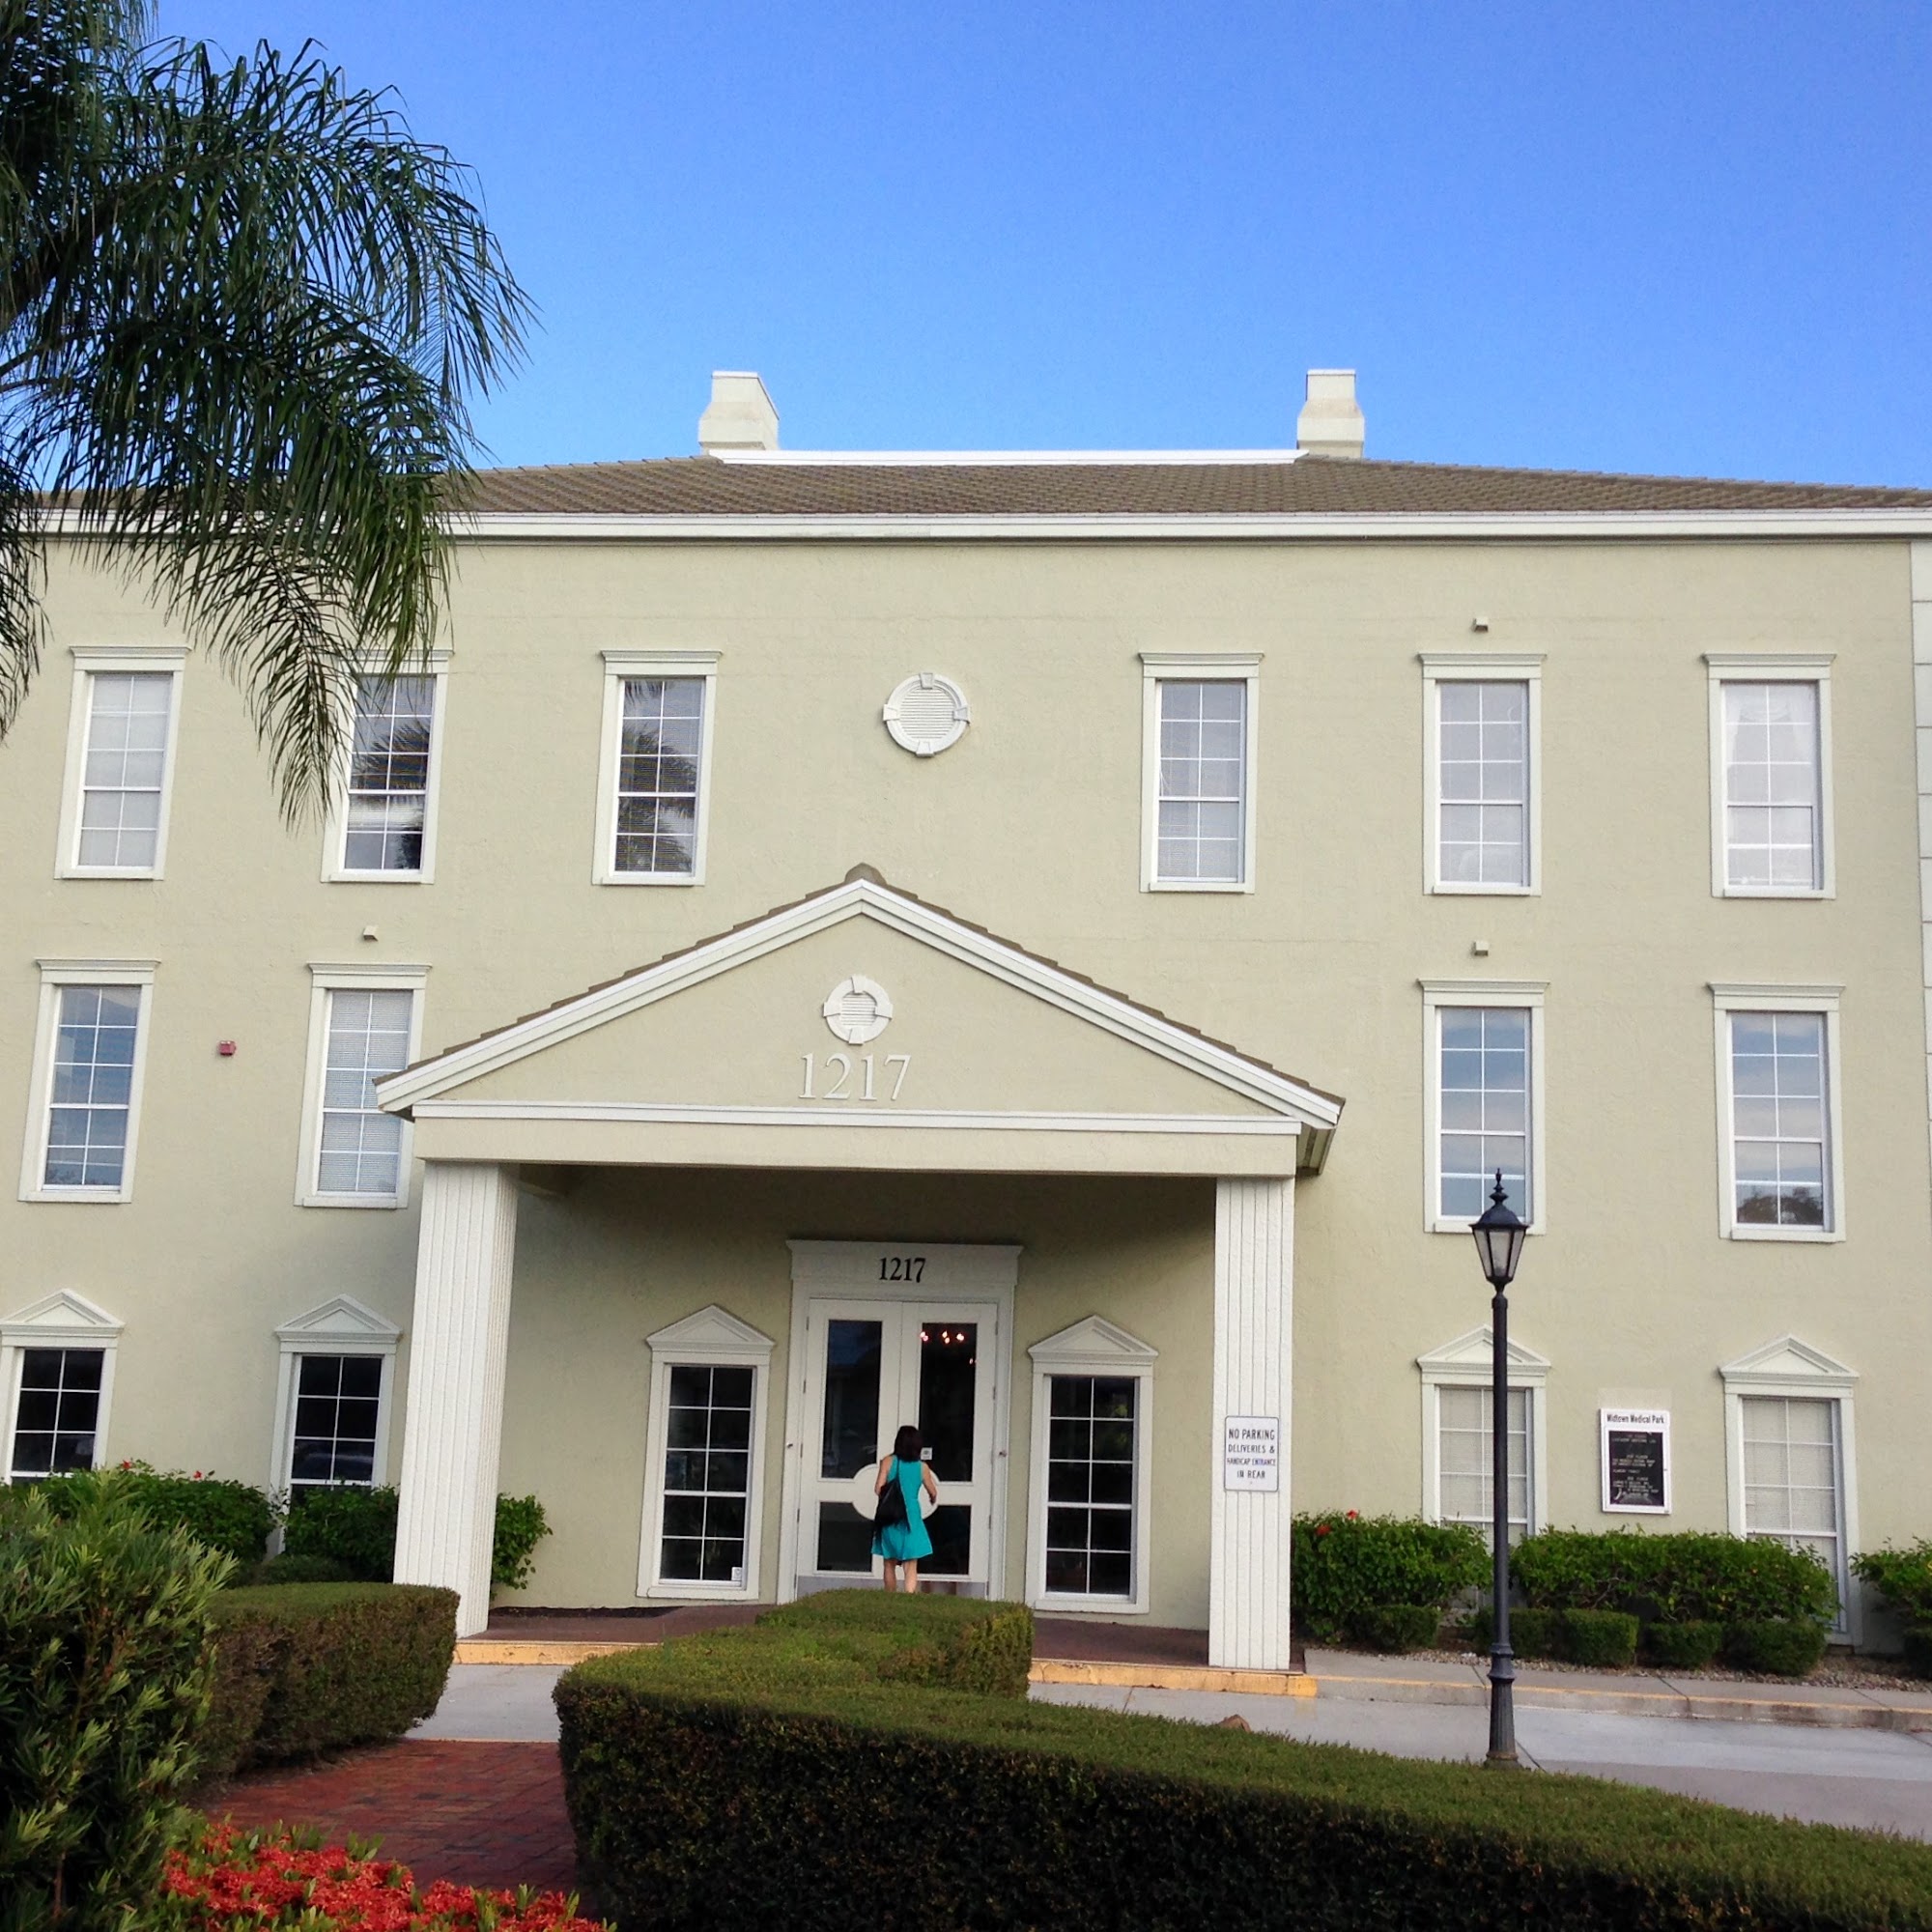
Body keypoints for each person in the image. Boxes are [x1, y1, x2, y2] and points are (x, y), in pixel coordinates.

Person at [872, 1424, 938, 1592]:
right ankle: (908, 1597)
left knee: (889, 1562)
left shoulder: (888, 1461)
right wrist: (932, 1498)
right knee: (911, 1564)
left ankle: (890, 1596)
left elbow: (878, 1489)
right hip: (911, 1516)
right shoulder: (922, 1467)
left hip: (890, 1515)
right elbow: (932, 1491)